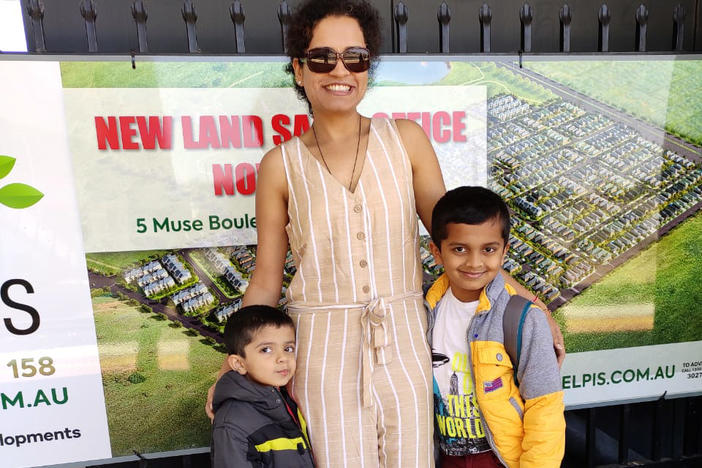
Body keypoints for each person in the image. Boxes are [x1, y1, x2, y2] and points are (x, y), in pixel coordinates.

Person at [206, 1, 564, 466]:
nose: (340, 70)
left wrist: (529, 302)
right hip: (322, 347)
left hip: (406, 338)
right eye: (321, 58)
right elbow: (266, 280)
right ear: (298, 69)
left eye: (355, 57)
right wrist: (231, 365)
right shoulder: (280, 166)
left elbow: (459, 243)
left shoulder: (406, 141)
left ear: (367, 67)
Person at [426, 186, 565, 468]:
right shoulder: (424, 312)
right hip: (444, 459)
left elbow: (545, 408)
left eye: (488, 249)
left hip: (502, 460)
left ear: (504, 253)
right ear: (437, 252)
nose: (474, 262)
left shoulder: (523, 318)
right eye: (459, 249)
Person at [210, 305, 315, 468]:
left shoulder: (291, 399)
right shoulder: (231, 424)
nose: (282, 358)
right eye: (266, 350)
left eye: (288, 348)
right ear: (239, 363)